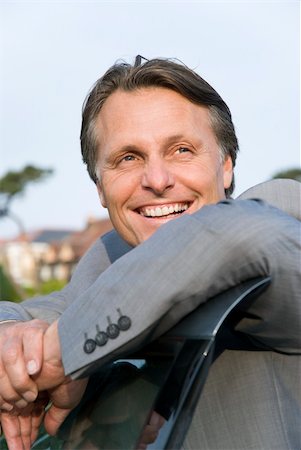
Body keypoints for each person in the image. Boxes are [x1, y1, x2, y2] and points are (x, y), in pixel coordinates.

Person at [0, 57, 300, 450]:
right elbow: (22, 313)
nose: (157, 181)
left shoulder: (276, 211)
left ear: (225, 167)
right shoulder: (108, 260)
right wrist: (10, 341)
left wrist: (63, 351)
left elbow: (236, 235)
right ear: (101, 189)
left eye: (181, 150)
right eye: (128, 158)